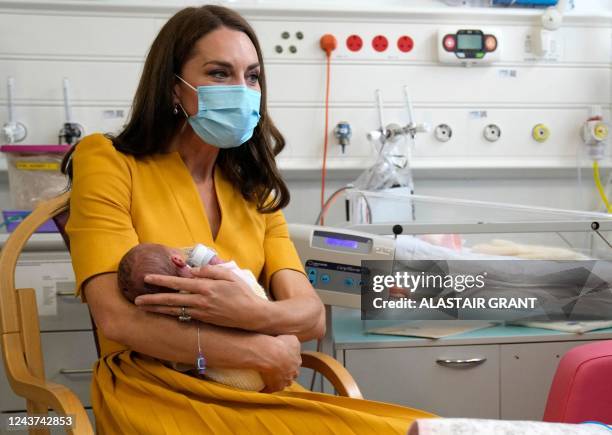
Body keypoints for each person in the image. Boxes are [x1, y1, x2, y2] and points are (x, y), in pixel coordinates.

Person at [63, 5, 435, 433]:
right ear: (173, 89)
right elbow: (118, 319)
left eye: (252, 76)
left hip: (259, 389)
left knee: (421, 427)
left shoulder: (253, 186)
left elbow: (311, 317)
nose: (241, 89)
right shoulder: (108, 161)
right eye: (219, 74)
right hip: (157, 389)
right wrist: (257, 351)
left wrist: (245, 316)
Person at [118, 242, 269, 391]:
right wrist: (211, 261)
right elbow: (228, 271)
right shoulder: (205, 277)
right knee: (239, 279)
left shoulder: (162, 315)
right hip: (261, 331)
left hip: (236, 381)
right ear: (177, 260)